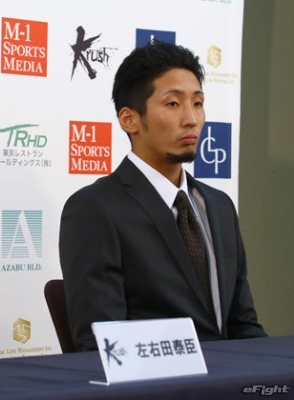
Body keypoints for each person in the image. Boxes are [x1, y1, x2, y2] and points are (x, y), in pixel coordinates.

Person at [59, 40, 267, 351]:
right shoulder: (94, 209)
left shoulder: (219, 206)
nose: (191, 119)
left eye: (197, 103)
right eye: (173, 104)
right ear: (129, 119)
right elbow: (102, 343)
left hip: (233, 376)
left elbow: (243, 325)